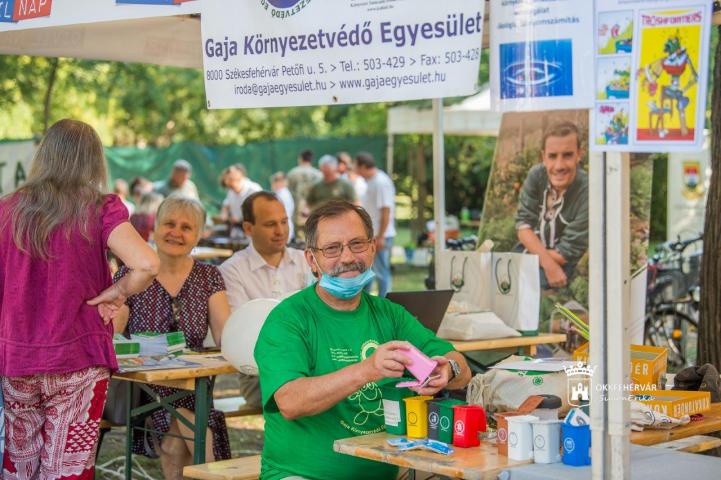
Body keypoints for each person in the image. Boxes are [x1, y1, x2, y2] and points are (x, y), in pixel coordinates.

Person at [254, 200, 471, 480]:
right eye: (332, 248)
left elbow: (461, 368)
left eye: (356, 244)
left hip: (388, 471)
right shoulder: (288, 319)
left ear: (372, 247)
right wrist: (367, 370)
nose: (347, 257)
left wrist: (448, 369)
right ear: (311, 260)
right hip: (300, 475)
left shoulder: (389, 314)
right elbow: (290, 401)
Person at [0, 119, 160, 479]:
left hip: (17, 357)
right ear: (94, 161)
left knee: (20, 467)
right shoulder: (100, 208)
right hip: (79, 356)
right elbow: (148, 264)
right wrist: (118, 291)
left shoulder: (6, 210)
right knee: (67, 470)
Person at [113, 196, 232, 479]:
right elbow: (114, 332)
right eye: (169, 223)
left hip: (194, 381)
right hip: (145, 384)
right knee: (193, 427)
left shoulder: (209, 276)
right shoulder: (131, 273)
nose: (176, 232)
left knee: (175, 441)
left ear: (198, 235)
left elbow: (224, 334)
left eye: (186, 227)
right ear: (155, 227)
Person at [219, 191, 311, 409]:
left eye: (284, 222)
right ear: (248, 228)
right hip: (258, 373)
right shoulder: (232, 270)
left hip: (310, 362)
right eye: (270, 224)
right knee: (313, 393)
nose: (280, 231)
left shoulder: (306, 261)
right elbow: (244, 336)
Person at [515, 122, 589, 289]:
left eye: (567, 155)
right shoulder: (536, 175)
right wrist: (549, 265)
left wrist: (526, 257)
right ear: (543, 157)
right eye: (552, 156)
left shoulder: (587, 190)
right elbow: (523, 226)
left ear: (579, 154)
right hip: (540, 259)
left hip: (564, 267)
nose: (559, 166)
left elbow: (565, 254)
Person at [354, 152, 396, 297]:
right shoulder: (370, 181)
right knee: (368, 271)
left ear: (363, 166)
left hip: (381, 235)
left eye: (356, 166)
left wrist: (381, 236)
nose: (355, 170)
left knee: (382, 273)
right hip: (372, 235)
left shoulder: (380, 182)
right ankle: (366, 301)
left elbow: (386, 211)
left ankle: (384, 303)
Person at [286, 149, 322, 240]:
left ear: (300, 159)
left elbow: (288, 192)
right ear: (311, 160)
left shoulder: (292, 173)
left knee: (300, 239)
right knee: (314, 237)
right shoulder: (319, 174)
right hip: (314, 210)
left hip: (297, 209)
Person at [270, 171, 295, 241]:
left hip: (283, 229)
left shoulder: (282, 194)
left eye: (274, 182)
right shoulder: (282, 193)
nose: (272, 185)